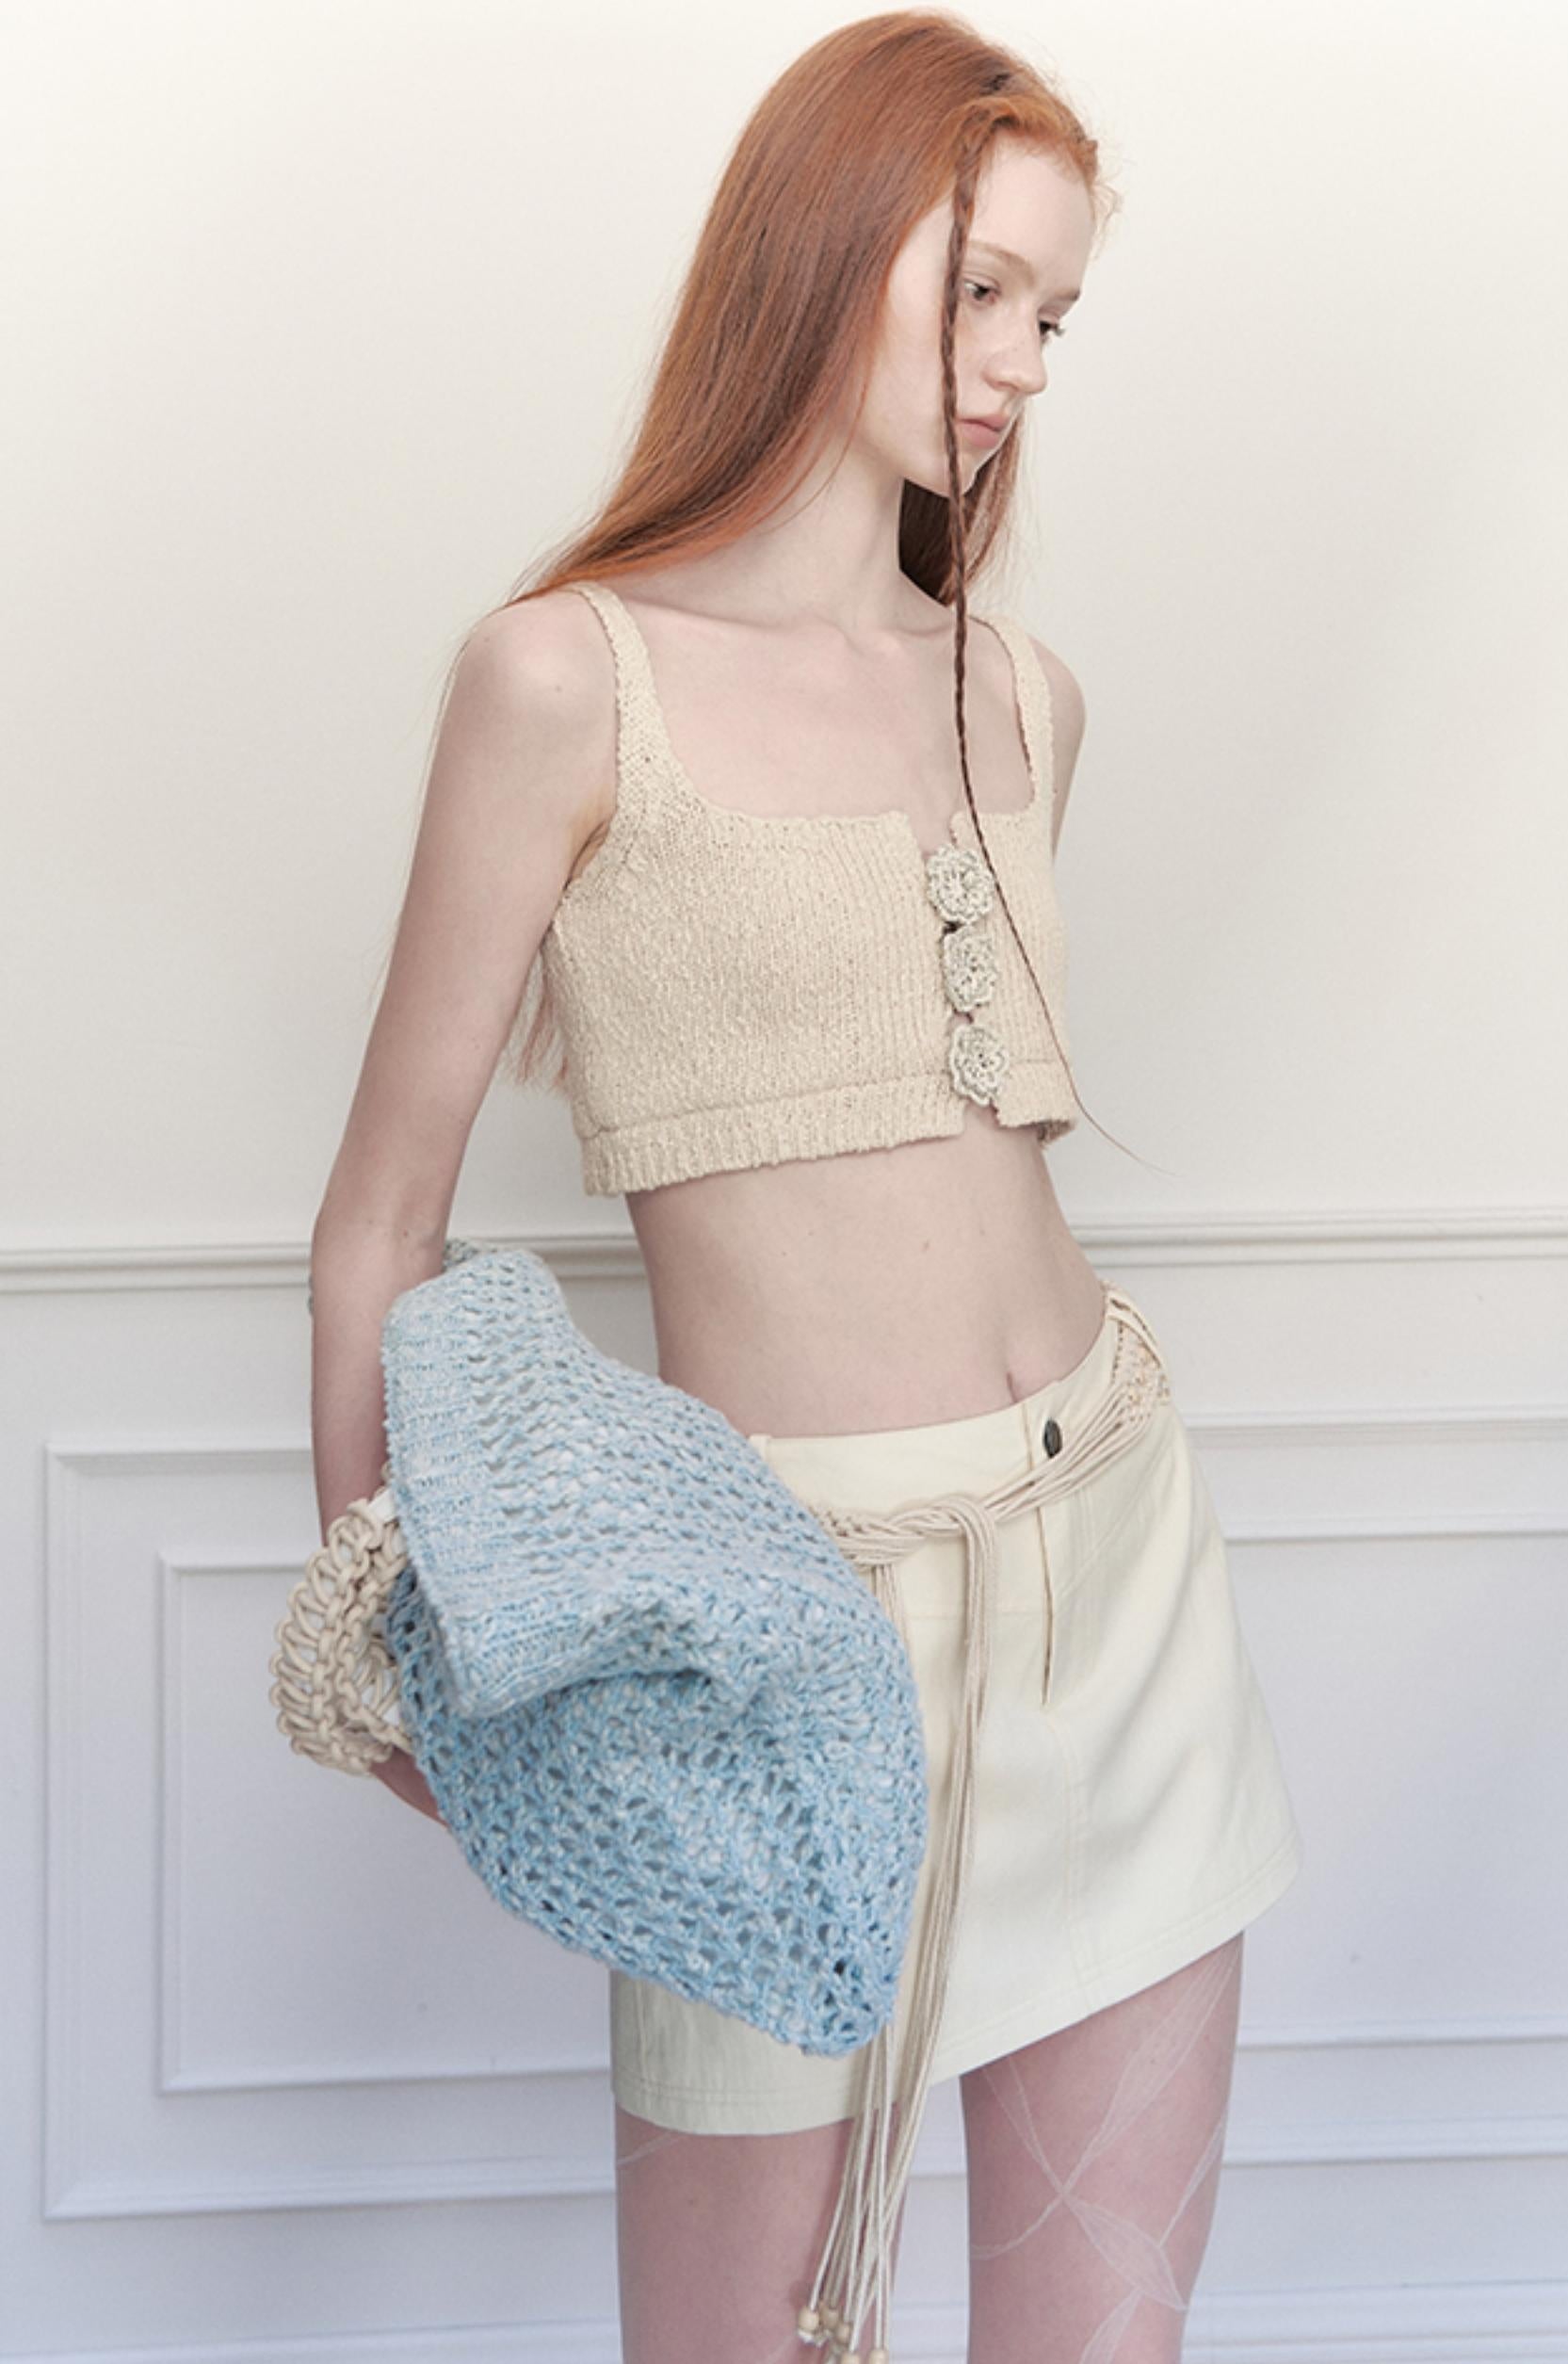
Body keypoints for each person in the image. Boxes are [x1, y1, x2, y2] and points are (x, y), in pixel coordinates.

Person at [308, 11, 1303, 2360]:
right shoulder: (564, 681)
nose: (1023, 365)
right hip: (772, 1633)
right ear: (828, 248)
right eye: (984, 291)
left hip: (1115, 1571)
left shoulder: (1023, 695)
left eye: (1057, 315)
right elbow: (385, 1219)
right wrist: (391, 1652)